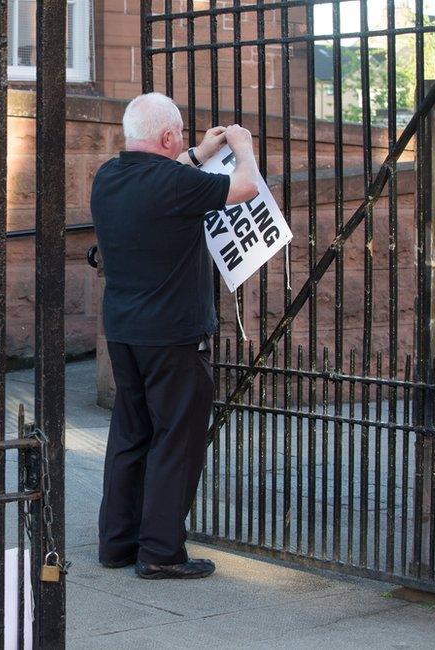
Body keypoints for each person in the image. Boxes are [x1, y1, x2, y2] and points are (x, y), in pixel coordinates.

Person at [91, 92, 260, 580]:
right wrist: (241, 146)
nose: (185, 141)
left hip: (123, 331)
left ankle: (117, 543)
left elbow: (167, 173)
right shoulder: (173, 184)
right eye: (181, 134)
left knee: (131, 433)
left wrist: (201, 152)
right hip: (173, 336)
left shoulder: (109, 177)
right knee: (177, 440)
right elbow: (245, 186)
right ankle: (162, 551)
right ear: (166, 137)